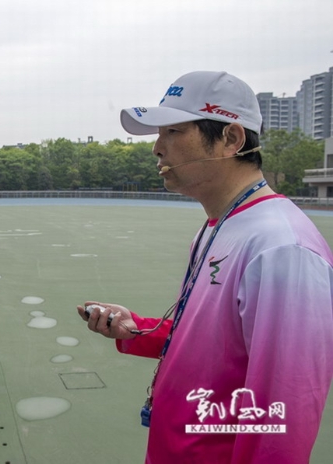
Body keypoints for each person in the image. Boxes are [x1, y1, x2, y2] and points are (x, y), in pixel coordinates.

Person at [77, 71, 333, 463]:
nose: (156, 148)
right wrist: (139, 329)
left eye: (173, 132)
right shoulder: (221, 224)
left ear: (231, 139)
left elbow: (282, 414)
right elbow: (216, 346)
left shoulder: (281, 248)